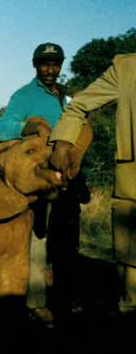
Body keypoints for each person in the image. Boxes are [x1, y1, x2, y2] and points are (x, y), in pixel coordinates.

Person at [0, 43, 89, 317]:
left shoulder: (65, 97)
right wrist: (29, 127)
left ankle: (64, 300)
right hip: (40, 181)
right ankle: (36, 303)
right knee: (38, 240)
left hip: (68, 181)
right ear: (35, 65)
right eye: (45, 64)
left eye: (56, 64)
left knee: (67, 243)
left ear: (61, 66)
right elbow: (2, 129)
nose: (51, 69)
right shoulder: (24, 96)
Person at [49, 53, 136, 314]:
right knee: (131, 275)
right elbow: (78, 105)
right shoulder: (127, 67)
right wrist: (63, 144)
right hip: (132, 189)